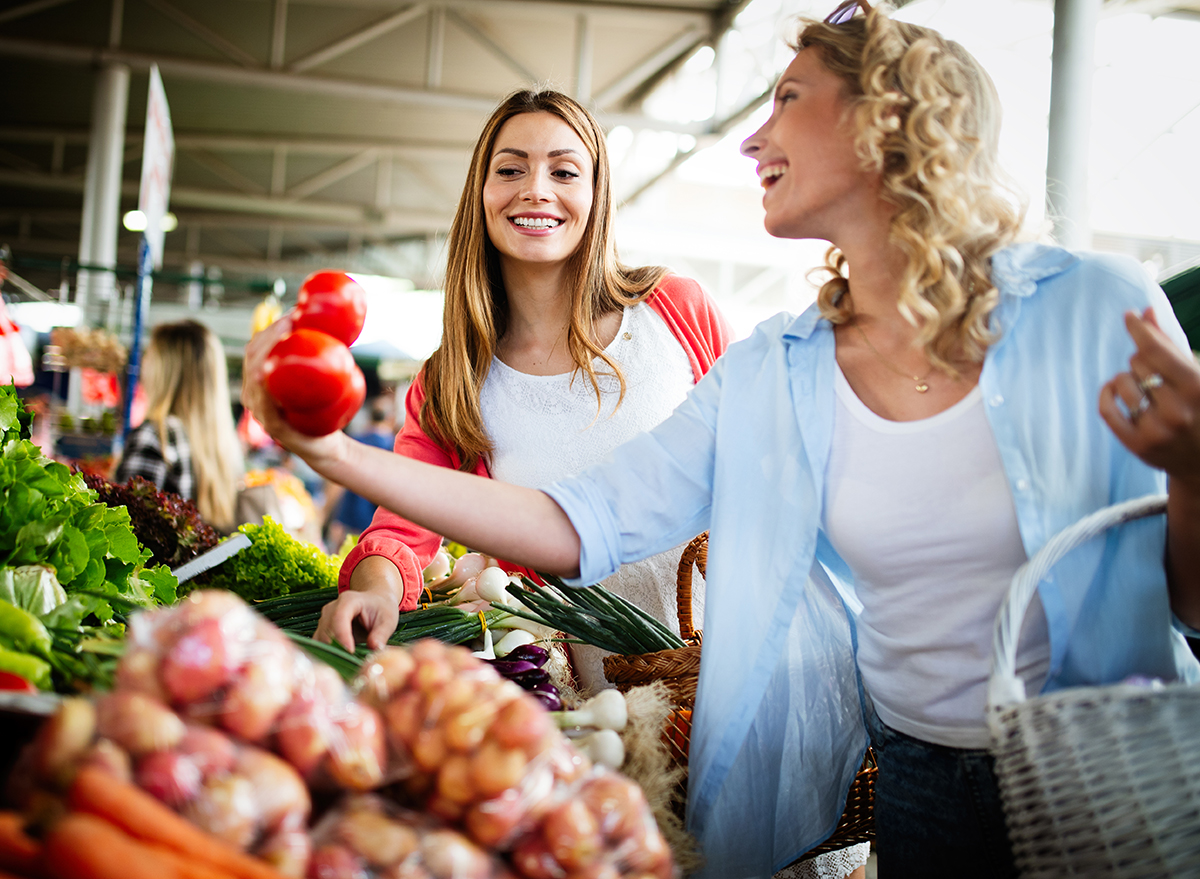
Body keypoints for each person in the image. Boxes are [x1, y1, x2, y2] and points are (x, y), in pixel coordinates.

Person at [242, 3, 1200, 875]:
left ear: (886, 120)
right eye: (512, 166)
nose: (752, 135)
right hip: (909, 778)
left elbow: (1186, 601)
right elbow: (580, 522)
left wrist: (1195, 469)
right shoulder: (782, 370)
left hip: (1110, 774)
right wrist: (332, 453)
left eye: (787, 98)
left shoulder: (1095, 311)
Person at [315, 89, 733, 698]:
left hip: (725, 679)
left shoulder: (676, 312)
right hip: (590, 714)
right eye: (510, 169)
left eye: (564, 171)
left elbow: (761, 461)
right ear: (480, 194)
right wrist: (373, 592)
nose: (536, 189)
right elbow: (401, 529)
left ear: (596, 195)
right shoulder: (454, 379)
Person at [117, 319, 244, 533]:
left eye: (150, 356)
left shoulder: (155, 437)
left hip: (159, 567)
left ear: (165, 371)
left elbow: (123, 534)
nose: (143, 364)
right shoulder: (224, 444)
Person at [323, 396, 397, 549]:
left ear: (370, 416)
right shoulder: (395, 447)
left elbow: (336, 484)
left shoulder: (355, 442)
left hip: (348, 520)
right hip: (376, 526)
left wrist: (327, 515)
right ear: (391, 418)